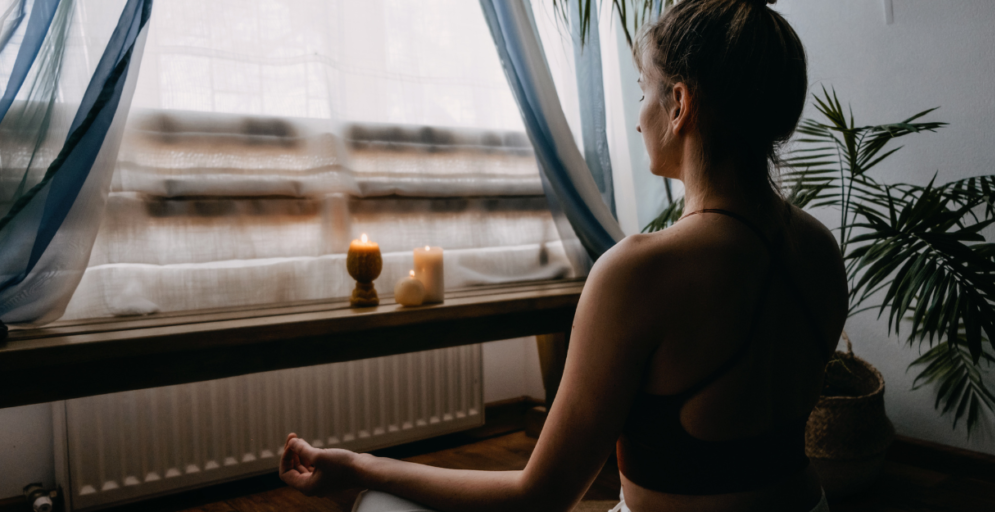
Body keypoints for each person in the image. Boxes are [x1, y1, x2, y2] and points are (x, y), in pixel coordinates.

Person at [279, 0, 848, 510]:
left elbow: (540, 495)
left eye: (643, 90)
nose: (637, 113)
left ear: (679, 105)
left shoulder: (642, 271)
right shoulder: (820, 248)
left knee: (380, 505)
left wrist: (358, 468)